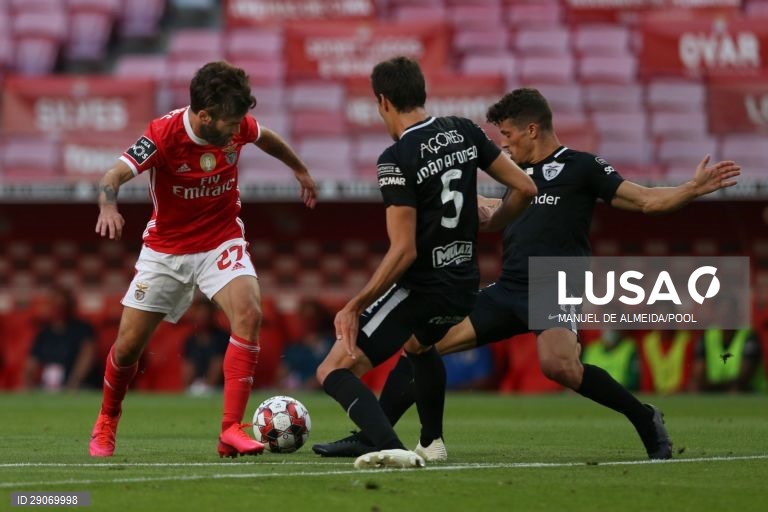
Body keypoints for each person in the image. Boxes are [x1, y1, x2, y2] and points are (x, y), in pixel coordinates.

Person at [313, 87, 741, 461]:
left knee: (559, 367)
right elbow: (483, 208)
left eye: (509, 135)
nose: (505, 145)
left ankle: (645, 417)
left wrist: (690, 188)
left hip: (553, 284)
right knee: (420, 343)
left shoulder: (582, 166)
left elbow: (646, 200)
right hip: (509, 287)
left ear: (532, 129)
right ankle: (375, 437)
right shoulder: (514, 178)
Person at [315, 57, 537, 469]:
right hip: (464, 283)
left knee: (332, 370)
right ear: (422, 93)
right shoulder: (464, 131)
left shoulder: (396, 157)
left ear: (382, 101)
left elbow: (404, 251)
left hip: (421, 288)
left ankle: (384, 445)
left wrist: (355, 304)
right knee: (420, 347)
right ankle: (431, 442)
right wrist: (492, 224)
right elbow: (525, 186)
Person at [88, 61, 318, 458]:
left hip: (220, 240)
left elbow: (268, 139)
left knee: (249, 313)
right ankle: (107, 419)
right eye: (230, 123)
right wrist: (108, 207)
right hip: (166, 250)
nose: (237, 130)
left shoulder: (237, 124)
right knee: (127, 347)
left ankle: (230, 429)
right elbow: (111, 177)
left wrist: (300, 170)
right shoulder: (163, 134)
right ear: (205, 116)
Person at [24, 286, 96, 391]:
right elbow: (31, 363)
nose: (59, 311)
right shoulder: (44, 333)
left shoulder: (83, 329)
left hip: (78, 385)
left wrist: (74, 382)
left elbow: (87, 356)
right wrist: (29, 382)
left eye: (62, 306)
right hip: (48, 387)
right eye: (55, 306)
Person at [276, 299, 334, 390]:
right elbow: (282, 373)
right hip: (296, 389)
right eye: (304, 317)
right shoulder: (295, 347)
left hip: (322, 389)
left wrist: (314, 383)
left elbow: (335, 370)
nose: (308, 322)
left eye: (312, 317)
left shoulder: (331, 344)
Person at [689, 327, 766, 392]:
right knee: (694, 386)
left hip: (748, 392)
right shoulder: (708, 336)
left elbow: (743, 378)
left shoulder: (748, 336)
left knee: (736, 390)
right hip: (716, 388)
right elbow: (698, 375)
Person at [182, 298, 230, 394]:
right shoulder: (191, 340)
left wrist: (207, 386)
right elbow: (188, 368)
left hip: (219, 389)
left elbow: (218, 366)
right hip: (197, 387)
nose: (201, 317)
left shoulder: (222, 337)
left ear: (212, 315)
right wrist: (191, 387)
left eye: (205, 314)